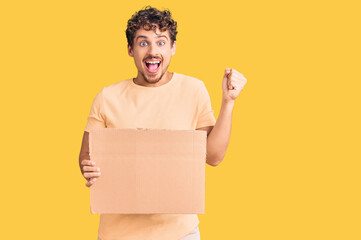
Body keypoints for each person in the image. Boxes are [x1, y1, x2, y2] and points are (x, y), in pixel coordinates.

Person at [79, 5, 247, 240]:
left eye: (160, 42)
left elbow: (213, 156)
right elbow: (86, 154)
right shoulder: (107, 97)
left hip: (179, 233)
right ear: (130, 49)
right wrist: (88, 167)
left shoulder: (193, 90)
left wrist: (228, 102)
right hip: (118, 234)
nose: (152, 51)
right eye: (143, 42)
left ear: (172, 47)